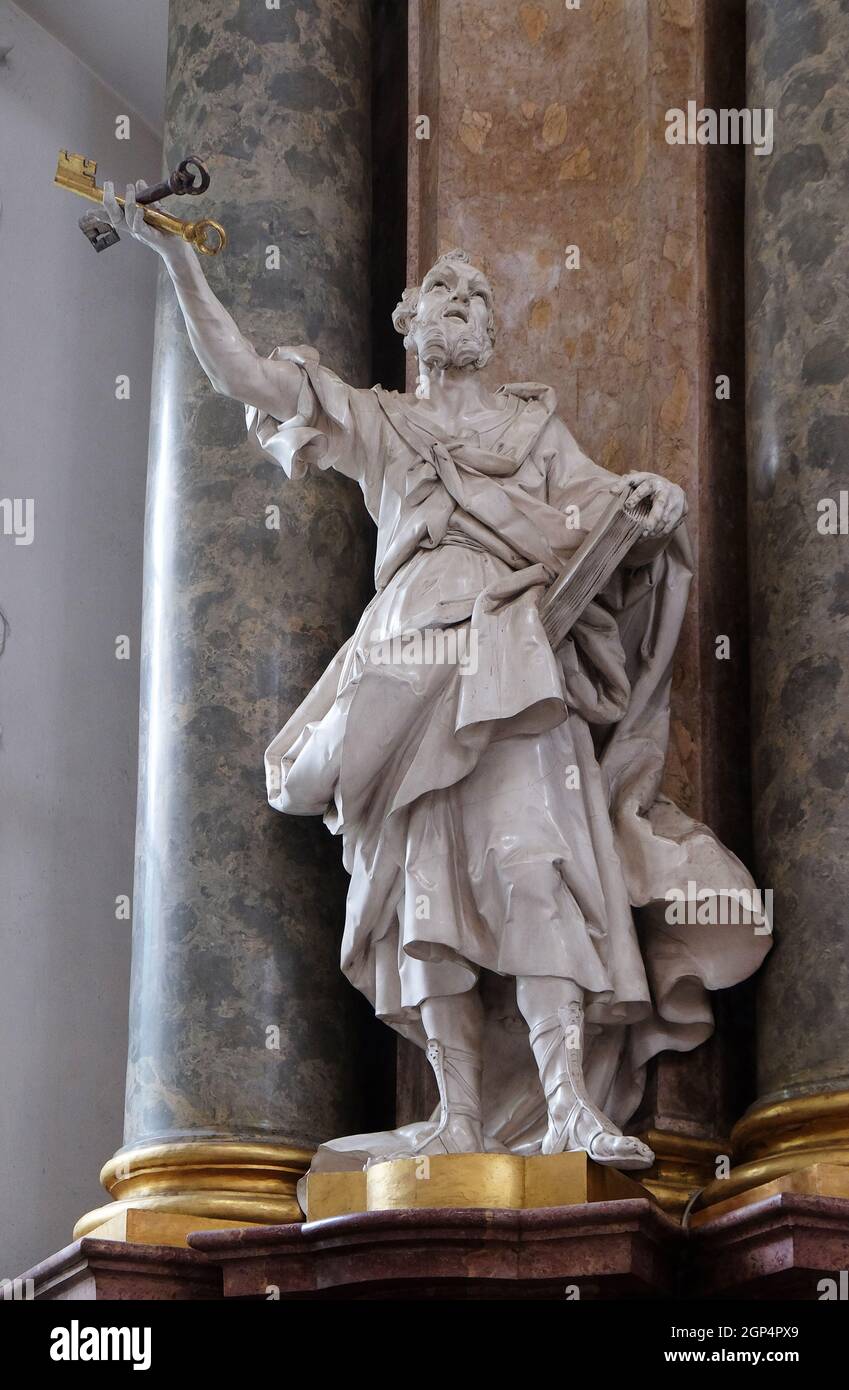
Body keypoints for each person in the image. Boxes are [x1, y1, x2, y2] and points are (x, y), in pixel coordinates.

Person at [103, 183, 770, 1175]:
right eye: (443, 293)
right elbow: (247, 376)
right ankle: (455, 1113)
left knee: (537, 866)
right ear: (409, 321)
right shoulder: (382, 423)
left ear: (492, 334)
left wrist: (656, 500)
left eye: (478, 300)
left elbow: (610, 519)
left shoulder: (536, 436)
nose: (463, 303)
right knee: (425, 898)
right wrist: (177, 262)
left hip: (515, 661)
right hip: (406, 669)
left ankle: (570, 1107)